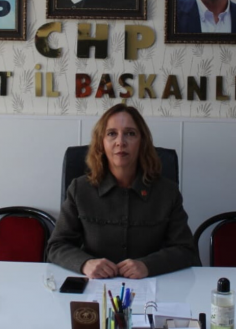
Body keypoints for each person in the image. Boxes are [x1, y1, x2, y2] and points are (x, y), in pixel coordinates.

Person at [47, 104, 200, 279]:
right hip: (95, 286)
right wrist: (85, 264)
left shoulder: (167, 192)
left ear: (142, 142)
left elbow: (186, 249)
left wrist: (148, 265)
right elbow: (56, 246)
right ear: (101, 143)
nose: (121, 142)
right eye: (112, 134)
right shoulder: (80, 189)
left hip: (151, 286)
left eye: (130, 133)